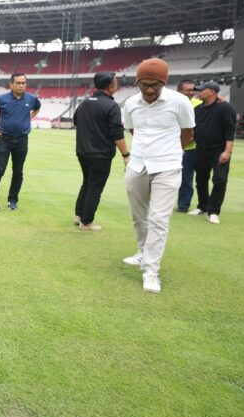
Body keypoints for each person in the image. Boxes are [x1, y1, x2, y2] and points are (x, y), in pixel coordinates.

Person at [121, 58, 194, 293]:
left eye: (155, 85)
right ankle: (142, 253)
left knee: (159, 219)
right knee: (138, 216)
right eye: (145, 85)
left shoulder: (180, 102)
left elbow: (187, 132)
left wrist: (172, 152)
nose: (150, 90)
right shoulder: (131, 103)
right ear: (137, 83)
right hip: (138, 165)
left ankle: (151, 272)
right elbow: (133, 130)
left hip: (168, 166)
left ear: (164, 82)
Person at [72, 72, 130, 231]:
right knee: (95, 187)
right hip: (101, 153)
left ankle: (79, 215)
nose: (117, 84)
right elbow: (117, 133)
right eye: (116, 81)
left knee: (87, 182)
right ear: (110, 85)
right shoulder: (111, 106)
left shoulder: (85, 102)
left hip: (83, 151)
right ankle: (86, 222)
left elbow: (76, 121)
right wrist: (125, 155)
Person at [0, 73, 41, 211]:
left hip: (22, 140)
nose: (22, 85)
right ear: (11, 84)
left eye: (24, 83)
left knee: (18, 171)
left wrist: (28, 118)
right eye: (18, 83)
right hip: (4, 139)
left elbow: (37, 107)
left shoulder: (32, 99)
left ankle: (12, 200)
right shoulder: (1, 99)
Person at [188, 81, 236, 224]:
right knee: (201, 180)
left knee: (219, 180)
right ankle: (202, 206)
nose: (198, 92)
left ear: (213, 92)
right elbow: (193, 131)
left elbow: (229, 130)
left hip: (219, 150)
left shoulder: (225, 107)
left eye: (202, 90)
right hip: (201, 149)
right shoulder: (197, 110)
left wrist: (227, 151)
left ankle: (213, 211)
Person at [176, 79, 202, 212]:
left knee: (187, 178)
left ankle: (183, 205)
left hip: (191, 149)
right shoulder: (173, 103)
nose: (191, 92)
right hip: (173, 147)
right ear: (179, 91)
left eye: (193, 90)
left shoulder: (199, 104)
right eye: (188, 90)